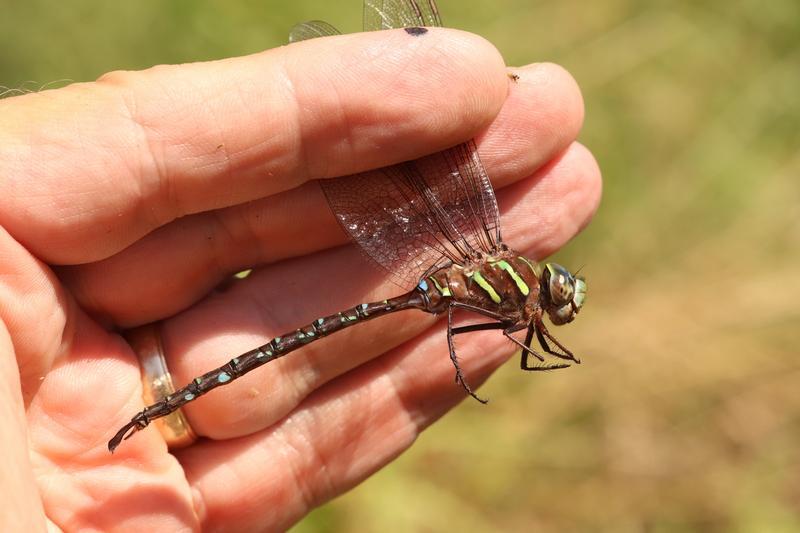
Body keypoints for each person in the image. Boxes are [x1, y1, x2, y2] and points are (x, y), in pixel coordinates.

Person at [0, 27, 600, 531]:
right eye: (559, 293)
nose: (558, 300)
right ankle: (159, 409)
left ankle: (155, 410)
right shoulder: (517, 299)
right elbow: (525, 351)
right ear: (543, 290)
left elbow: (508, 345)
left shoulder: (507, 286)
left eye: (560, 294)